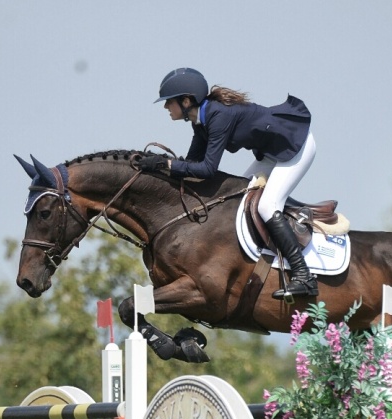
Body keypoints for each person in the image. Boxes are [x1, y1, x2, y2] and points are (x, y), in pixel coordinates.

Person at [136, 67, 318, 299]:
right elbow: (192, 163)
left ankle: (304, 276)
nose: (165, 107)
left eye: (168, 102)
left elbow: (208, 169)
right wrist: (161, 165)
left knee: (266, 206)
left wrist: (167, 165)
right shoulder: (199, 120)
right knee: (241, 198)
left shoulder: (218, 116)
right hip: (271, 153)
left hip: (296, 147)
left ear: (186, 100)